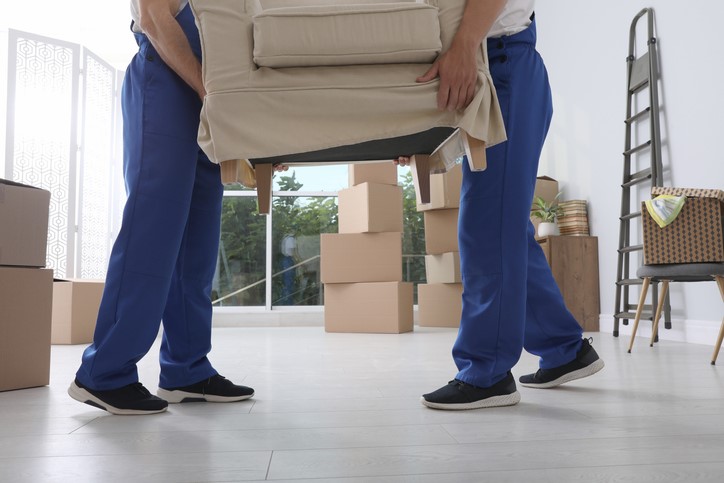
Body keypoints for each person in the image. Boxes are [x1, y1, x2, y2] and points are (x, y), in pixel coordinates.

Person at [68, 0, 284, 415]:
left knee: (197, 246)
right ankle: (105, 372)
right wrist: (209, 93)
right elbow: (152, 18)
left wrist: (260, 125)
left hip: (214, 100)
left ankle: (187, 370)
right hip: (167, 82)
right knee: (154, 230)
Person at [397, 0, 604, 410]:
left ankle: (486, 372)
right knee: (505, 228)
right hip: (491, 65)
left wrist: (464, 45)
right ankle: (564, 348)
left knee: (489, 228)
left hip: (499, 64)